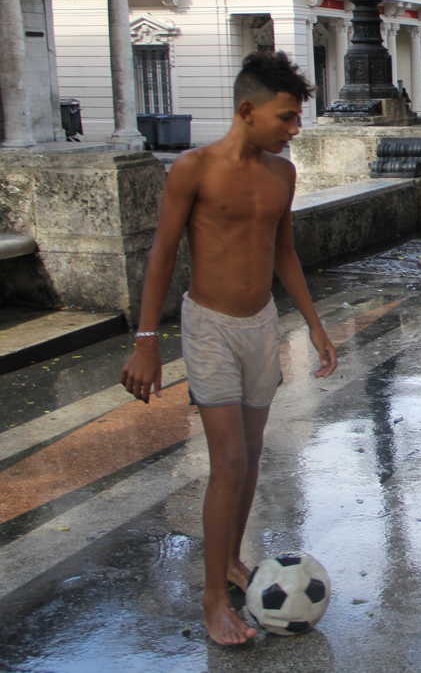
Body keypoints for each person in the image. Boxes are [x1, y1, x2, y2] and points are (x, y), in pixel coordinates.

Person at [120, 51, 339, 643]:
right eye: (287, 117)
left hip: (260, 324)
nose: (294, 129)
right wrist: (146, 343)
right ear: (247, 111)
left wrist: (314, 324)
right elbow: (162, 254)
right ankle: (213, 597)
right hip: (210, 325)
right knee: (230, 462)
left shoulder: (282, 175)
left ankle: (233, 563)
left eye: (297, 119)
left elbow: (283, 252)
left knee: (250, 457)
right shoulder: (194, 170)